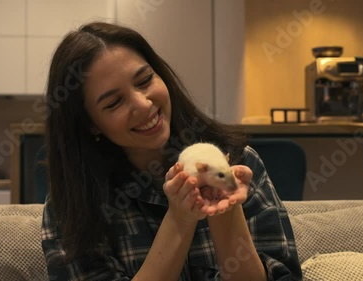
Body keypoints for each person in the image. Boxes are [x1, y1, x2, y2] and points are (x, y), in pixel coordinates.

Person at [41, 21, 302, 281]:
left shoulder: (238, 162)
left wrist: (225, 211)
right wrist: (179, 219)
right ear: (91, 124)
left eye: (144, 80)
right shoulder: (75, 202)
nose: (143, 105)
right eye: (114, 102)